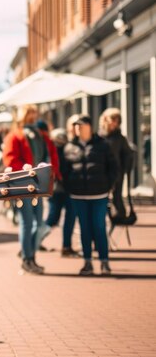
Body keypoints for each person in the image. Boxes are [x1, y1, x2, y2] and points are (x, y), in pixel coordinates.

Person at [3, 104, 58, 274]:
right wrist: (29, 171)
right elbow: (10, 160)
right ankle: (27, 259)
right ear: (22, 115)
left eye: (34, 112)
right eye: (29, 112)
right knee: (27, 223)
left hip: (38, 184)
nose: (33, 116)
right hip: (23, 183)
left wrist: (50, 173)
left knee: (39, 223)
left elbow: (49, 154)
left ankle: (30, 256)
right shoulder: (15, 135)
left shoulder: (40, 135)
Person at [62, 114, 118, 276]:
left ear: (89, 127)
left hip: (99, 195)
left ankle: (104, 262)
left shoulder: (103, 145)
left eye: (81, 125)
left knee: (99, 227)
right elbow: (64, 171)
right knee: (84, 229)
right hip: (78, 196)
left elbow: (113, 168)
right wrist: (70, 187)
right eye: (76, 125)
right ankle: (87, 262)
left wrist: (108, 186)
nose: (78, 128)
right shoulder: (69, 147)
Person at [41, 127, 80, 257]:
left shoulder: (55, 150)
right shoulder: (55, 151)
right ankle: (34, 242)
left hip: (60, 189)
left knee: (57, 218)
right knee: (57, 218)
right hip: (60, 189)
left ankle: (65, 246)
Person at [99, 108, 135, 221]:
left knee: (117, 195)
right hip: (101, 171)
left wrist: (125, 167)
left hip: (116, 172)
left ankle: (120, 215)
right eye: (112, 119)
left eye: (117, 120)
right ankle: (103, 215)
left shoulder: (120, 138)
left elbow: (128, 154)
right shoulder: (99, 137)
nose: (114, 122)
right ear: (105, 119)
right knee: (101, 195)